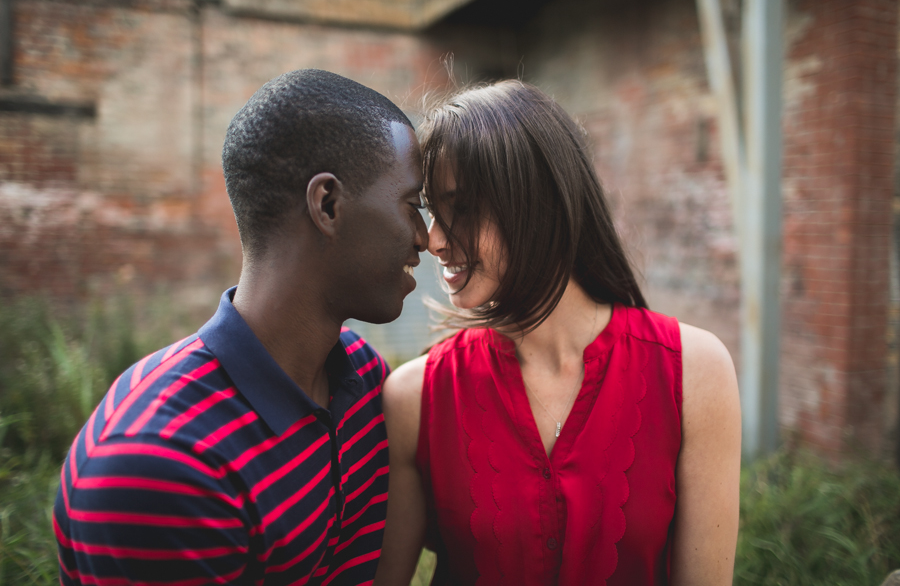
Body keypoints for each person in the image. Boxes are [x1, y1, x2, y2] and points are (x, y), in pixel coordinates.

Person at [54, 69, 429, 585]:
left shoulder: (362, 381)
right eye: (413, 206)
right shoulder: (157, 462)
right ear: (328, 205)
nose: (425, 238)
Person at [374, 81, 742, 586]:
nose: (434, 238)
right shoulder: (416, 398)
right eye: (433, 208)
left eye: (460, 206)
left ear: (539, 202)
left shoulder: (695, 374)